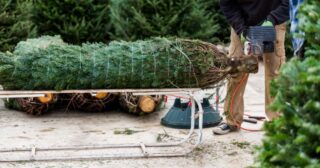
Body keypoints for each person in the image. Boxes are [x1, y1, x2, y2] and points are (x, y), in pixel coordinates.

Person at [213, 0, 290, 135]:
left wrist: (272, 20)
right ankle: (232, 120)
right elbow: (227, 4)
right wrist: (241, 30)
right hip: (243, 21)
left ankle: (277, 122)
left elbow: (288, 3)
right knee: (236, 70)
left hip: (274, 22)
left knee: (275, 72)